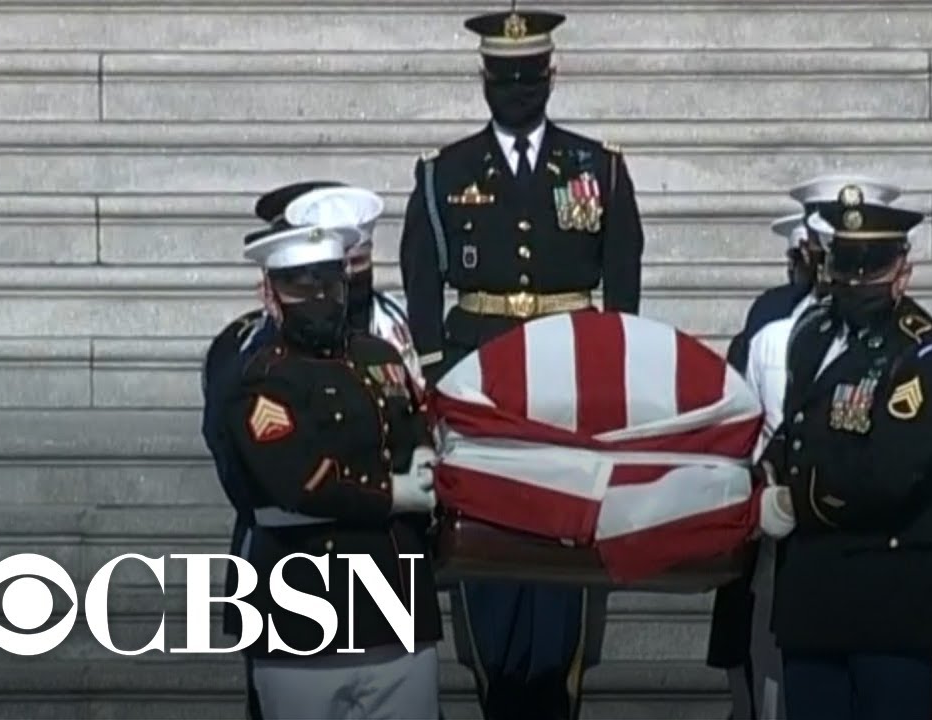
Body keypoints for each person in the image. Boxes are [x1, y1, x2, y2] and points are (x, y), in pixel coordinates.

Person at [397, 7, 645, 719]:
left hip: (567, 381)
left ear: (550, 75)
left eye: (527, 77)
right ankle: (495, 685)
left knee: (562, 552)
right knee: (490, 551)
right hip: (483, 381)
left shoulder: (598, 166)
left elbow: (622, 281)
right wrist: (444, 377)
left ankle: (554, 689)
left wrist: (611, 375)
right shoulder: (445, 172)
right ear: (484, 79)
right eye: (503, 78)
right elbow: (422, 279)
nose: (516, 89)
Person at [200, 181, 427, 718]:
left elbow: (412, 435)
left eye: (333, 279)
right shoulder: (252, 361)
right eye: (302, 286)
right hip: (294, 586)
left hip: (390, 593)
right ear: (271, 290)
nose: (322, 297)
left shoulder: (383, 349)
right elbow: (273, 471)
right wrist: (388, 493)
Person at [755, 183, 932, 720]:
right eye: (845, 267)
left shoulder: (926, 355)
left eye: (868, 271)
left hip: (888, 603)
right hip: (813, 596)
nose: (854, 284)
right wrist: (766, 468)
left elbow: (890, 474)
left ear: (902, 270)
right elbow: (799, 426)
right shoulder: (812, 333)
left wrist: (794, 499)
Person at [708, 176, 903, 720]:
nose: (845, 272)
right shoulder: (776, 334)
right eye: (838, 257)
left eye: (865, 261)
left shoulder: (913, 349)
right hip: (792, 556)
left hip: (872, 558)